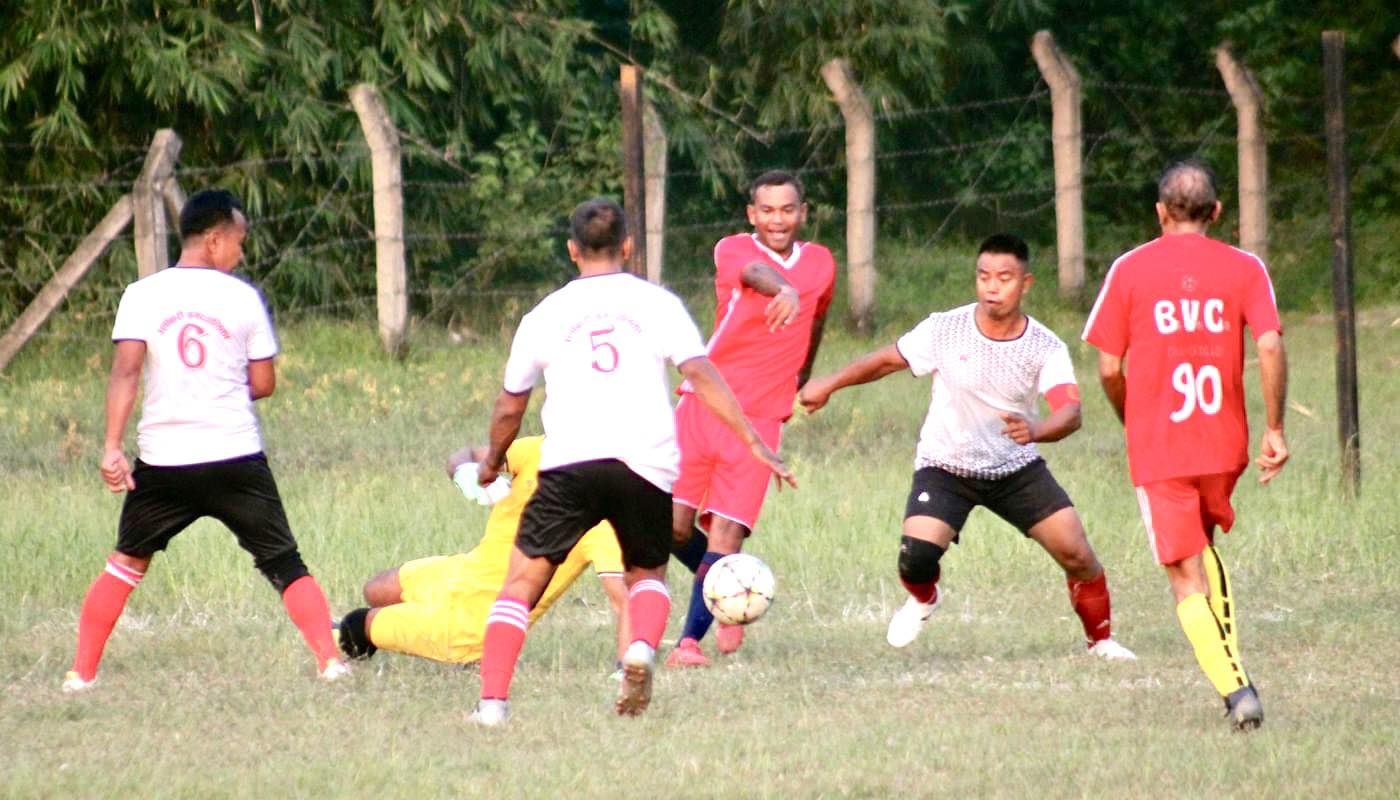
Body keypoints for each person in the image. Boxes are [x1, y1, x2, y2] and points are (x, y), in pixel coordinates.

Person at [468, 198, 795, 726]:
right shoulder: (657, 303)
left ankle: (491, 707)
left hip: (570, 464)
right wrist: (753, 440)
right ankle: (640, 647)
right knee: (647, 573)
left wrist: (493, 461)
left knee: (520, 585)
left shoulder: (544, 315)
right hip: (645, 464)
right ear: (627, 246)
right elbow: (701, 374)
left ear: (572, 250)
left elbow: (511, 406)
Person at [799, 233, 1136, 662]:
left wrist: (1036, 430)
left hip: (1015, 469)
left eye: (1004, 278)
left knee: (1078, 554)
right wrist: (829, 384)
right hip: (946, 466)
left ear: (1025, 284)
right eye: (983, 276)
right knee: (915, 558)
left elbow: (1070, 413)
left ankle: (1101, 642)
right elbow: (886, 360)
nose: (992, 287)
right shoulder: (946, 328)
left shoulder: (1045, 345)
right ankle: (924, 598)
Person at [63, 189, 347, 692]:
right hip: (234, 457)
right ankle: (331, 663)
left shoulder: (142, 294)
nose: (242, 252)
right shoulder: (243, 298)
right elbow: (264, 383)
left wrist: (111, 447)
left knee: (126, 562)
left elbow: (125, 373)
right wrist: (218, 388)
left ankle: (81, 675)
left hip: (164, 461)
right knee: (284, 562)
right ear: (214, 240)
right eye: (239, 241)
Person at [1082, 160, 1288, 731]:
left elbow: (1108, 367)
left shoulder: (1130, 268)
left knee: (1182, 573)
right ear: (1216, 212)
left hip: (1162, 446)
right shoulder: (1245, 267)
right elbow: (1270, 345)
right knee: (1201, 548)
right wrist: (1275, 428)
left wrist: (1132, 417)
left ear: (1159, 212)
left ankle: (1236, 690)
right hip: (1223, 441)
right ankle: (1234, 673)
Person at [666, 170, 836, 668]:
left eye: (787, 209)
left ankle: (688, 643)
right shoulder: (734, 249)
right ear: (752, 215)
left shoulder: (822, 262)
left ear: (803, 213)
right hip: (704, 404)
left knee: (726, 533)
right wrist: (784, 288)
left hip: (762, 419)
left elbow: (817, 318)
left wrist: (803, 378)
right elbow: (756, 274)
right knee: (670, 528)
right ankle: (729, 586)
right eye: (767, 210)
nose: (777, 220)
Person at [335, 436, 630, 668]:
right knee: (376, 588)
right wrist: (465, 472)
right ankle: (402, 626)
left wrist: (628, 668)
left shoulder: (601, 513)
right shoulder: (539, 449)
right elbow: (466, 454)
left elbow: (626, 601)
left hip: (474, 622)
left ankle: (345, 638)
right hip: (464, 572)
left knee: (355, 625)